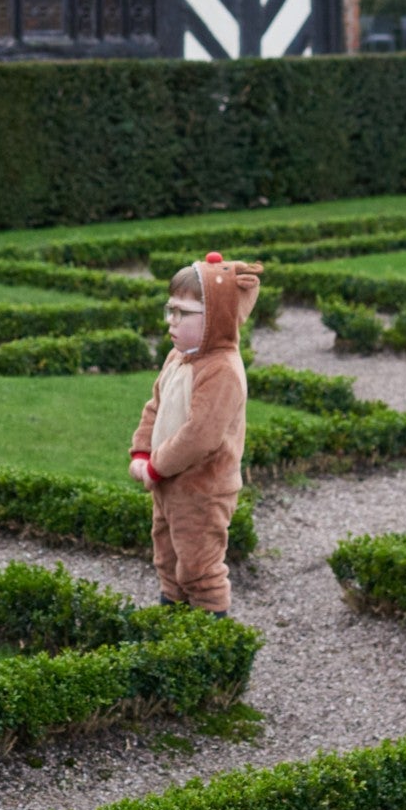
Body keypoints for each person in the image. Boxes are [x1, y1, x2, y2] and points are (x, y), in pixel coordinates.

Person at [129, 252, 263, 613]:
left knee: (199, 567)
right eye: (169, 310)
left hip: (203, 489)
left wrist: (156, 467)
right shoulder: (179, 356)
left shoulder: (221, 370)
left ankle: (210, 636)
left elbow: (200, 436)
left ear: (215, 319)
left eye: (183, 314)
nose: (171, 321)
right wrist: (141, 452)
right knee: (168, 559)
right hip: (168, 482)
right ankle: (170, 623)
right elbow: (154, 406)